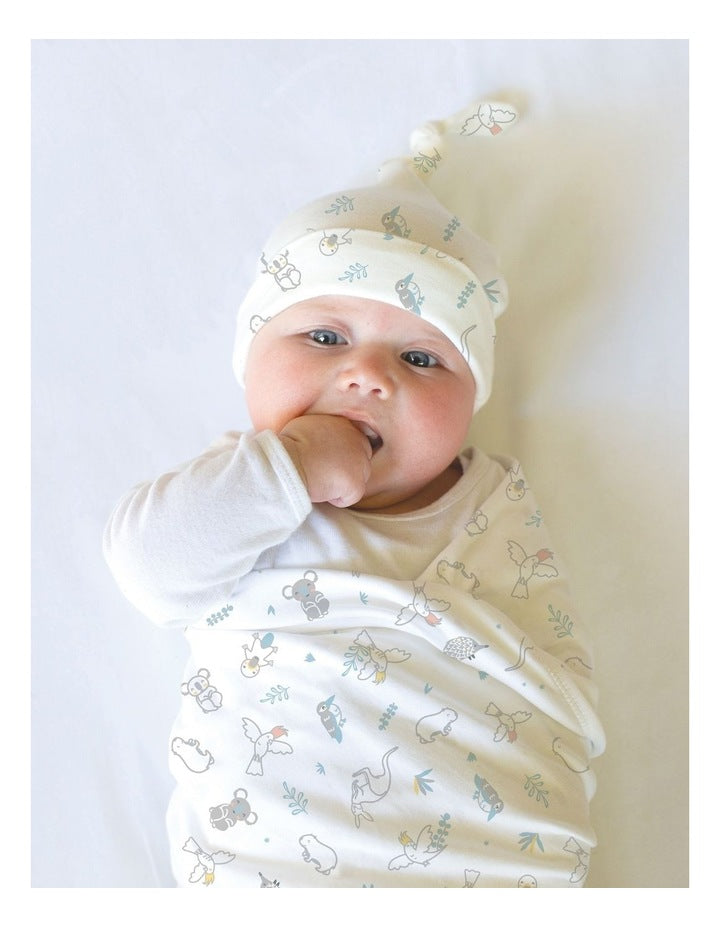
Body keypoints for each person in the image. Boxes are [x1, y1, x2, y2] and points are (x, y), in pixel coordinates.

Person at [104, 99, 605, 888]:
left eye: (420, 357)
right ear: (250, 356)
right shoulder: (236, 488)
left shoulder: (490, 510)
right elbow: (147, 568)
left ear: (474, 397)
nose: (368, 374)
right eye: (325, 337)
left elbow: (538, 692)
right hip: (274, 867)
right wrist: (293, 462)